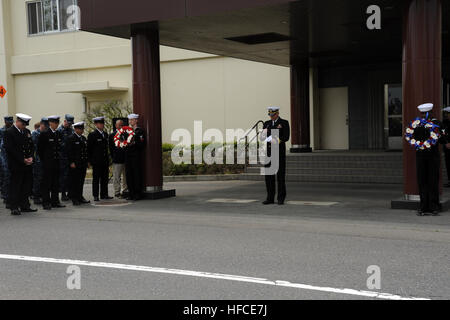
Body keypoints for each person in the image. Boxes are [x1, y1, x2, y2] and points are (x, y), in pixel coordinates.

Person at [414, 103, 446, 216]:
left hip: (433, 156)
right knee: (422, 181)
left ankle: (434, 207)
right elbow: (412, 138)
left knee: (433, 181)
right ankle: (423, 207)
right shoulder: (417, 124)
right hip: (421, 156)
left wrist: (441, 137)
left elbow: (443, 139)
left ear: (430, 112)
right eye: (421, 113)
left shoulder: (437, 124)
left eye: (425, 113)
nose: (423, 115)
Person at [3, 114, 37, 215]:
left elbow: (31, 146)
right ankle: (14, 207)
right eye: (23, 124)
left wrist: (31, 157)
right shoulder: (9, 132)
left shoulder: (26, 132)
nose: (24, 126)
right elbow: (10, 149)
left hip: (27, 163)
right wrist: (23, 159)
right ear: (17, 121)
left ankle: (25, 205)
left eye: (25, 125)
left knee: (26, 186)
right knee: (16, 186)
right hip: (16, 164)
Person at [260, 107, 290, 205]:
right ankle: (270, 198)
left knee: (280, 177)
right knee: (269, 177)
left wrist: (275, 139)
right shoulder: (266, 123)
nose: (271, 117)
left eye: (273, 115)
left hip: (279, 153)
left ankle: (280, 198)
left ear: (277, 113)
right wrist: (269, 138)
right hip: (269, 153)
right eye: (270, 115)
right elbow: (262, 137)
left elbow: (286, 137)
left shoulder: (284, 122)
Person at [38, 115, 66, 210]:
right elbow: (40, 150)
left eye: (57, 123)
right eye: (55, 123)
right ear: (50, 123)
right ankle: (46, 202)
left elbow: (59, 148)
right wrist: (45, 161)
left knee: (55, 183)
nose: (56, 124)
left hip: (56, 162)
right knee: (46, 183)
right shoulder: (44, 134)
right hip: (47, 163)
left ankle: (55, 201)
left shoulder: (58, 133)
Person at [88, 117, 112, 202]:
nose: (102, 125)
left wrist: (108, 161)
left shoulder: (105, 134)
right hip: (96, 161)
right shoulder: (92, 135)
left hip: (104, 161)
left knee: (105, 178)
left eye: (102, 123)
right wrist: (90, 161)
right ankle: (95, 195)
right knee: (96, 179)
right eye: (100, 123)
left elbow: (106, 148)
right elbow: (89, 149)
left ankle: (104, 194)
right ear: (96, 124)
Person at [67, 122, 90, 206]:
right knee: (74, 182)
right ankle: (74, 198)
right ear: (75, 129)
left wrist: (87, 161)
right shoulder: (71, 138)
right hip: (75, 164)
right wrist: (71, 162)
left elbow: (85, 151)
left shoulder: (83, 138)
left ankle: (80, 196)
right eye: (80, 129)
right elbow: (69, 152)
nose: (81, 130)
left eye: (82, 129)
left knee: (81, 181)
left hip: (82, 163)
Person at [125, 114, 145, 201]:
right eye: (129, 120)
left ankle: (137, 193)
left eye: (132, 120)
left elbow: (142, 144)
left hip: (136, 155)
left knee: (136, 175)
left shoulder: (139, 131)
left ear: (136, 120)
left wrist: (134, 143)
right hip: (128, 156)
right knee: (129, 175)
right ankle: (131, 193)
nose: (130, 122)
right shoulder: (127, 131)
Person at [109, 119, 128, 198]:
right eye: (119, 125)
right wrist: (114, 157)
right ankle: (117, 192)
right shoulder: (112, 135)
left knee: (126, 177)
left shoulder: (126, 134)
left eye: (122, 125)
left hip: (126, 159)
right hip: (117, 159)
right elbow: (111, 148)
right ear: (116, 126)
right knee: (117, 177)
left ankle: (125, 191)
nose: (121, 126)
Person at [31, 118, 49, 205]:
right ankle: (36, 196)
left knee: (43, 178)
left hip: (44, 159)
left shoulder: (45, 133)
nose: (46, 127)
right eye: (45, 125)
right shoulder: (34, 133)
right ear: (41, 124)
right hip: (36, 160)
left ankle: (41, 194)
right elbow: (33, 148)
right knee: (37, 179)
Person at [58, 114, 75, 201]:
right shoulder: (59, 131)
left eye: (71, 124)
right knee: (63, 177)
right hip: (62, 157)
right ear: (64, 121)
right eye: (68, 123)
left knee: (70, 176)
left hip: (70, 157)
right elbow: (58, 145)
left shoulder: (71, 130)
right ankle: (63, 193)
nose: (70, 125)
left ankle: (70, 193)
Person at [0, 116, 14, 208]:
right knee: (6, 175)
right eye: (9, 122)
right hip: (4, 155)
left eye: (11, 122)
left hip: (12, 156)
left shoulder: (13, 129)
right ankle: (5, 196)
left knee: (12, 176)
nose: (10, 123)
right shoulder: (2, 130)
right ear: (5, 122)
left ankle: (11, 196)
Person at [442, 107, 450, 188]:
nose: (447, 116)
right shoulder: (445, 123)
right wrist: (446, 142)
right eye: (446, 114)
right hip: (447, 147)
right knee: (448, 164)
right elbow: (443, 133)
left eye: (448, 114)